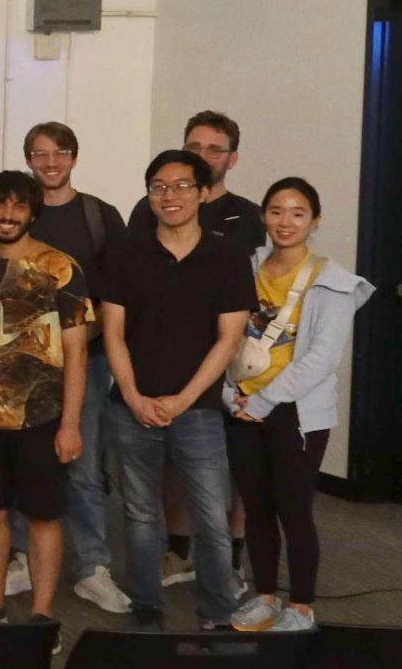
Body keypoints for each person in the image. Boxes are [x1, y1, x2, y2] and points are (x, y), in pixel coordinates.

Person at [102, 149, 251, 629]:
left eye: (182, 186)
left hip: (199, 408)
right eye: (159, 187)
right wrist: (133, 396)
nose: (171, 196)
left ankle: (218, 613)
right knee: (140, 515)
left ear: (203, 193)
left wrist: (183, 400)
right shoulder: (125, 253)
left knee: (211, 517)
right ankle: (146, 606)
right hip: (131, 406)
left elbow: (229, 339)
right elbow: (112, 333)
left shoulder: (227, 256)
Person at [224, 178, 372, 633]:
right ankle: (265, 596)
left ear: (314, 220)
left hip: (296, 413)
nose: (285, 222)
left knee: (293, 508)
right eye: (276, 211)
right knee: (255, 507)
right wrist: (231, 395)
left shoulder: (333, 282)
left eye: (297, 213)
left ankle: (302, 606)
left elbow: (322, 359)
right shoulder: (243, 267)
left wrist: (264, 401)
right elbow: (222, 335)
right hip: (240, 404)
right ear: (263, 216)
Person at [0, 171, 91, 626]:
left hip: (44, 416)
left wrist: (71, 423)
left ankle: (41, 616)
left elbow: (76, 350)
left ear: (32, 213)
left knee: (43, 517)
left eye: (18, 206)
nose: (7, 214)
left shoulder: (60, 267)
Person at [20, 120, 134, 612]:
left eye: (60, 153)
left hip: (86, 360)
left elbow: (117, 293)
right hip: (25, 365)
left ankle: (91, 567)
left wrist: (76, 342)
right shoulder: (18, 211)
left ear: (74, 158)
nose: (50, 162)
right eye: (40, 154)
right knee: (25, 461)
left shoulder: (99, 215)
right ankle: (22, 557)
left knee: (83, 466)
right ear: (28, 160)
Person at [128, 111, 267, 253]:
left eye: (214, 150)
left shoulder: (248, 215)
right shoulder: (153, 206)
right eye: (194, 148)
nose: (201, 156)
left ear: (232, 159)